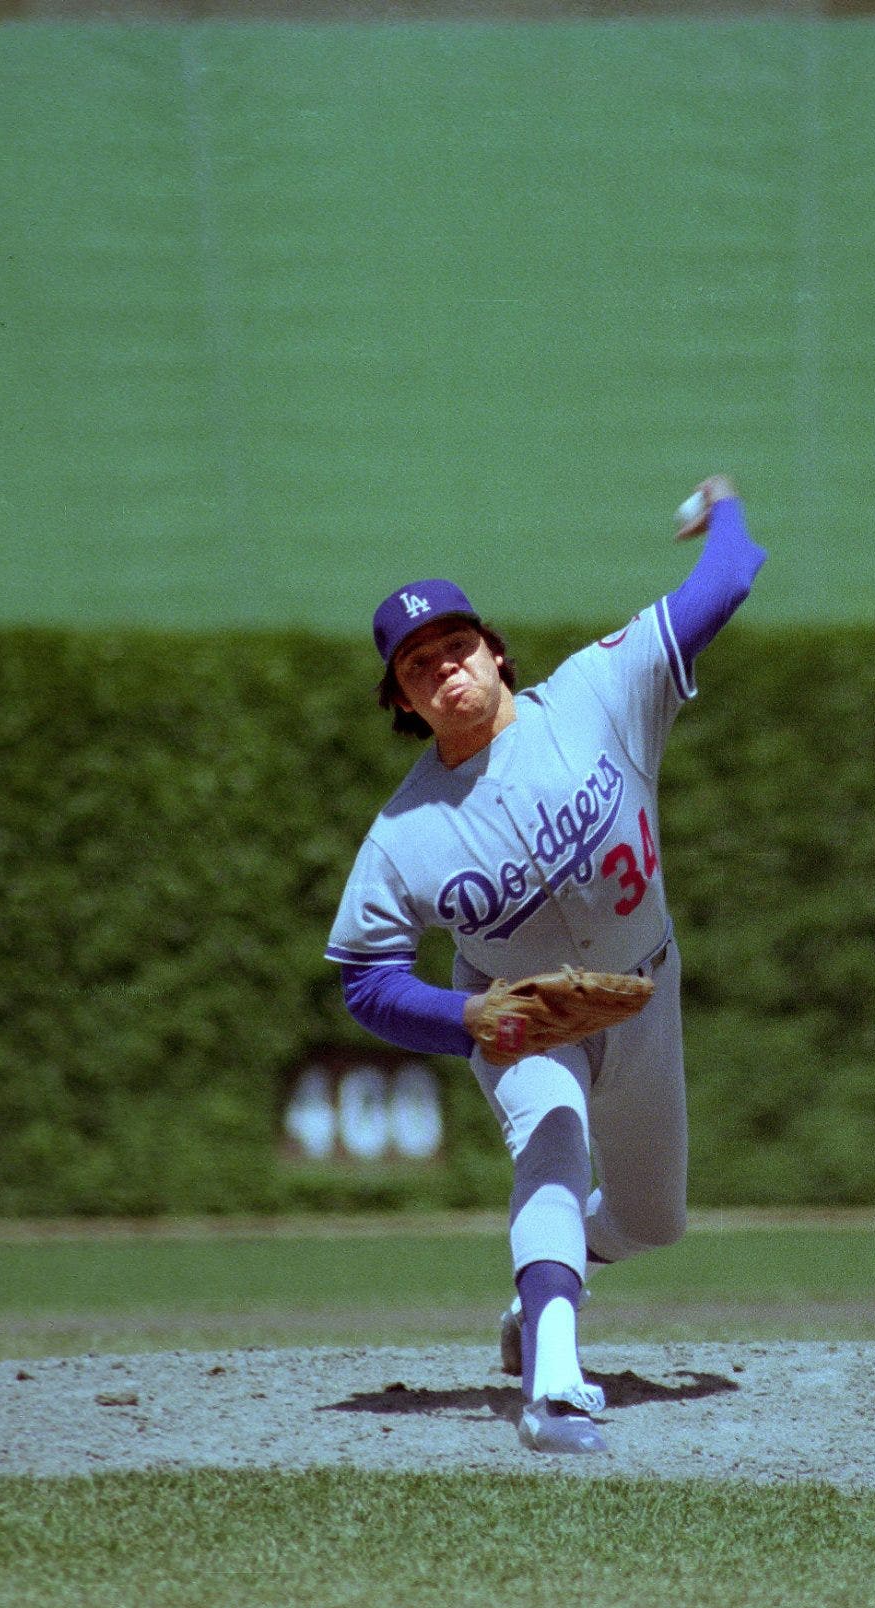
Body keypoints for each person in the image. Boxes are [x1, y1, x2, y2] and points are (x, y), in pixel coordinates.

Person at [323, 476, 764, 1457]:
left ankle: (540, 1301)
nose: (443, 671)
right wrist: (462, 1018)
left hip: (643, 986)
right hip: (523, 1011)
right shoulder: (403, 831)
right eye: (417, 667)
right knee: (553, 1138)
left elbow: (730, 575)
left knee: (654, 1220)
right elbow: (364, 977)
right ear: (400, 699)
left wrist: (721, 506)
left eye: (454, 647)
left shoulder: (601, 690)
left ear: (494, 649)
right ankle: (555, 1383)